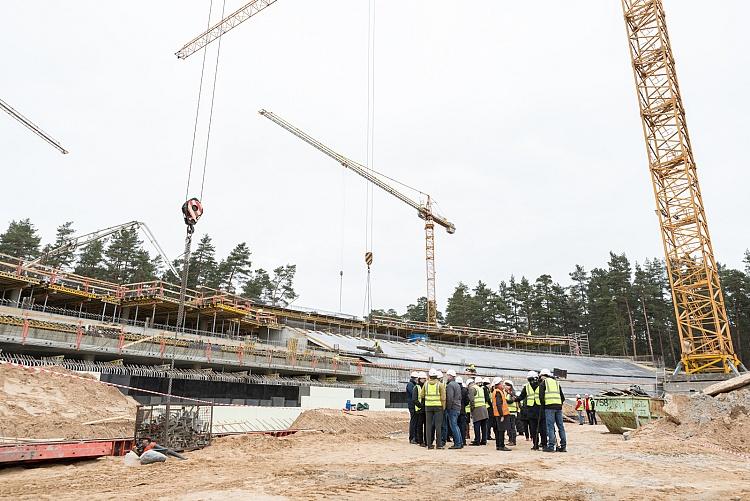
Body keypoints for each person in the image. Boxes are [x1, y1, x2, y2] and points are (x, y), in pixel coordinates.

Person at [538, 368, 567, 453]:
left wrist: (544, 406)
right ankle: (563, 446)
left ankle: (551, 446)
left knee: (550, 427)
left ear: (543, 376)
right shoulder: (557, 383)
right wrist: (558, 404)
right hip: (558, 407)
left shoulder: (544, 383)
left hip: (549, 407)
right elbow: (562, 397)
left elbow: (541, 397)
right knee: (560, 427)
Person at [516, 370, 546, 450]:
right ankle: (535, 444)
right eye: (530, 380)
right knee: (533, 429)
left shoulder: (542, 385)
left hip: (540, 409)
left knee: (542, 429)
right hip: (531, 410)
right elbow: (521, 396)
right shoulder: (527, 387)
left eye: (532, 379)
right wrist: (515, 399)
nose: (531, 381)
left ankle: (543, 444)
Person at [423, 368, 446, 450]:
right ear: (436, 376)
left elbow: (422, 395)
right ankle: (439, 445)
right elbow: (443, 397)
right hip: (438, 407)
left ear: (429, 376)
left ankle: (429, 445)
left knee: (428, 425)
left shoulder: (425, 384)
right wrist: (443, 407)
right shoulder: (440, 385)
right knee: (438, 426)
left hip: (428, 406)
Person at [444, 369, 464, 449]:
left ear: (450, 376)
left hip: (452, 408)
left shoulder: (450, 385)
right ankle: (460, 442)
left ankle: (457, 443)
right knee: (456, 426)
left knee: (453, 426)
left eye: (448, 375)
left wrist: (448, 408)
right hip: (458, 407)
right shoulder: (457, 385)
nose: (447, 377)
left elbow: (450, 398)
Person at [491, 377, 511, 451]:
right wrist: (502, 415)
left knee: (499, 430)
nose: (502, 385)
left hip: (498, 414)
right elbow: (499, 404)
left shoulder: (497, 391)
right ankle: (501, 445)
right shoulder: (498, 392)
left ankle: (499, 445)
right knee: (501, 430)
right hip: (501, 414)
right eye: (501, 383)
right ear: (498, 385)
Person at [468, 378, 488, 445]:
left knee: (477, 425)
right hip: (484, 408)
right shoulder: (481, 389)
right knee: (483, 426)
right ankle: (484, 440)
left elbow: (471, 400)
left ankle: (477, 440)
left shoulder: (472, 388)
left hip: (477, 409)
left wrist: (472, 408)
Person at [504, 380, 518, 446]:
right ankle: (510, 440)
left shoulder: (512, 393)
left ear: (510, 386)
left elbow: (511, 401)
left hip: (512, 412)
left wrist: (504, 400)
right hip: (508, 412)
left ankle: (513, 440)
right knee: (508, 427)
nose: (505, 386)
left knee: (512, 427)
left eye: (507, 385)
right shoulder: (506, 393)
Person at [415, 371, 427, 446]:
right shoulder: (416, 387)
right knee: (419, 426)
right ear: (419, 379)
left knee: (426, 426)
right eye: (423, 379)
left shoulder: (426, 387)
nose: (424, 380)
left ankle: (426, 441)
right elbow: (414, 399)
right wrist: (421, 406)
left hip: (426, 409)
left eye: (425, 379)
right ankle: (420, 441)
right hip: (419, 410)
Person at [407, 371, 419, 443]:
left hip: (414, 405)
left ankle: (415, 437)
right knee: (413, 422)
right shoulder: (410, 385)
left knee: (415, 421)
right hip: (412, 406)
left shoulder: (412, 384)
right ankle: (412, 438)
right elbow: (414, 394)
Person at [481, 377, 493, 442]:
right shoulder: (486, 389)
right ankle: (487, 435)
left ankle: (487, 436)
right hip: (487, 407)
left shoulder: (482, 388)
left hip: (484, 406)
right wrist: (491, 405)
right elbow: (487, 399)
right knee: (488, 422)